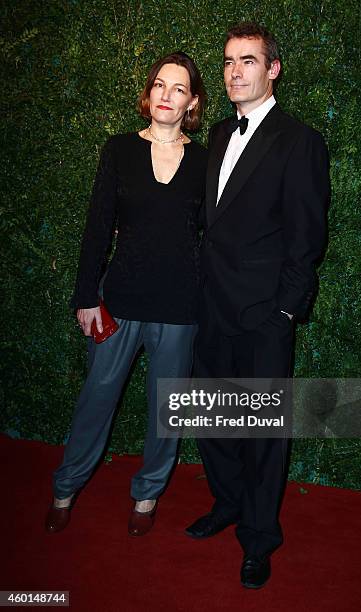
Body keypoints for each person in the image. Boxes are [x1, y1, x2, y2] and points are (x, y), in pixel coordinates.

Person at [185, 23, 330, 589]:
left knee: (264, 433)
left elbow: (306, 239)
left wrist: (286, 314)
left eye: (247, 61)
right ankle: (228, 503)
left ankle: (260, 536)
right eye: (226, 62)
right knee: (213, 421)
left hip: (265, 316)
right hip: (212, 309)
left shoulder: (301, 141)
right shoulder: (219, 134)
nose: (233, 72)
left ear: (273, 70)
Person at [45, 51, 207, 536]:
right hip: (118, 298)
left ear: (191, 103)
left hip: (180, 306)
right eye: (160, 85)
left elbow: (214, 235)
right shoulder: (118, 150)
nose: (167, 95)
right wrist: (84, 296)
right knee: (96, 398)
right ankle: (65, 487)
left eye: (179, 89)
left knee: (166, 410)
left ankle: (148, 495)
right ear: (149, 92)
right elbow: (97, 228)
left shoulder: (205, 161)